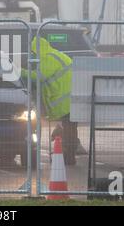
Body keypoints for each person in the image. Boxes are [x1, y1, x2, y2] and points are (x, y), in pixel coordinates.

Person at [22, 37, 86, 165]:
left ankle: (68, 157)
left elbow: (38, 77)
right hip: (74, 98)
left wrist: (20, 71)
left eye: (34, 52)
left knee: (69, 129)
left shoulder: (48, 58)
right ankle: (69, 156)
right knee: (71, 128)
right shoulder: (57, 54)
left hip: (65, 101)